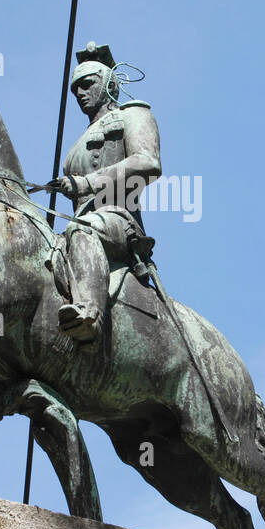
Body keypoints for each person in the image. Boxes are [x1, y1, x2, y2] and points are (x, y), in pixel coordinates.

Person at [49, 42, 160, 349]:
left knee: (82, 229)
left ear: (109, 83)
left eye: (87, 85)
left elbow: (148, 163)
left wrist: (86, 183)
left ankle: (89, 315)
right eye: (75, 90)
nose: (80, 94)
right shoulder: (73, 150)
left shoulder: (133, 114)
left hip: (118, 222)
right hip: (77, 230)